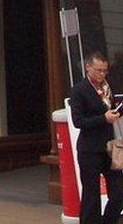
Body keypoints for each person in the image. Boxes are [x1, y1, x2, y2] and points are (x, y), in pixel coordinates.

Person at [69, 52, 123, 224]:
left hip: (109, 147)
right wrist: (103, 118)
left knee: (118, 192)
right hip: (89, 149)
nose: (102, 74)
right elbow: (78, 121)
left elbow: (111, 107)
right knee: (91, 196)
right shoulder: (79, 90)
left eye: (105, 71)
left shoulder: (108, 87)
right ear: (88, 67)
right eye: (98, 70)